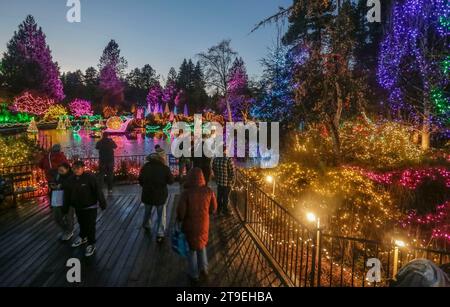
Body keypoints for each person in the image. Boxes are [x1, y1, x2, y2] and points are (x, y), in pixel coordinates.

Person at [177, 168, 217, 282]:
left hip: (190, 226)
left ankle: (194, 274)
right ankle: (204, 268)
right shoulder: (209, 191)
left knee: (191, 249)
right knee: (202, 245)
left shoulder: (186, 194)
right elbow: (213, 209)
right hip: (204, 224)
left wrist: (179, 219)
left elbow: (181, 213)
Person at [66, 160, 107, 257]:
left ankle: (91, 243)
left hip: (90, 206)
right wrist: (69, 203)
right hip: (78, 206)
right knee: (81, 222)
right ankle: (82, 236)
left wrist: (102, 202)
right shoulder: (71, 179)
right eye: (74, 168)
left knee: (90, 225)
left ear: (83, 168)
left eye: (78, 168)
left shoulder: (90, 177)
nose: (76, 170)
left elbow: (97, 190)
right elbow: (68, 192)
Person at [139, 152, 175, 243]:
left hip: (147, 193)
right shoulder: (164, 168)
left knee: (147, 211)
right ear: (161, 159)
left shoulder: (145, 167)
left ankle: (146, 224)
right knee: (161, 214)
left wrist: (145, 186)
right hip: (160, 195)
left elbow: (140, 180)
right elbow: (170, 181)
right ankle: (160, 233)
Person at [51, 163, 75, 241]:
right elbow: (53, 181)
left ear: (67, 169)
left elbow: (71, 186)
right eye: (59, 170)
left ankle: (69, 231)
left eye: (62, 170)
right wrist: (52, 185)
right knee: (56, 216)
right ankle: (65, 229)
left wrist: (61, 186)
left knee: (69, 216)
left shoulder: (72, 176)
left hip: (68, 197)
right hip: (57, 195)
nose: (60, 172)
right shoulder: (58, 176)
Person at [212, 149, 235, 216]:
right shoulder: (228, 159)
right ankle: (225, 211)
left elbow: (213, 169)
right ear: (224, 150)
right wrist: (232, 181)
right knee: (226, 197)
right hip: (227, 182)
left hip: (219, 182)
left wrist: (217, 177)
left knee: (219, 196)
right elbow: (232, 172)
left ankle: (218, 210)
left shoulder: (216, 159)